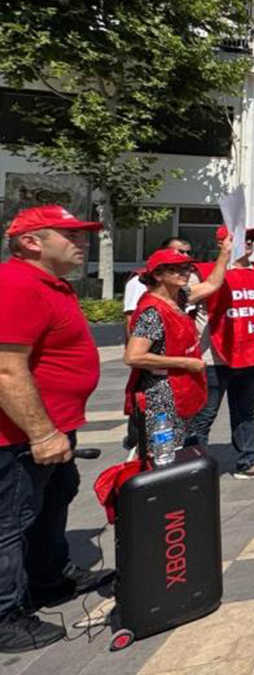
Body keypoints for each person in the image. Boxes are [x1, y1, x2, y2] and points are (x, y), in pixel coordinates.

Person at [0, 206, 115, 652]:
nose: (81, 241)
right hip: (20, 438)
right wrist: (42, 433)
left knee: (52, 501)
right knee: (9, 522)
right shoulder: (15, 285)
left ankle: (49, 578)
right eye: (70, 234)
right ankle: (6, 614)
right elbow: (7, 370)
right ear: (31, 242)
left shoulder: (50, 285)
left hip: (53, 428)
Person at [185, 226, 254, 480]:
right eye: (242, 238)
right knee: (204, 417)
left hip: (250, 355)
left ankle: (247, 461)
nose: (249, 243)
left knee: (245, 412)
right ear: (223, 243)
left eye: (251, 239)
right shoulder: (203, 273)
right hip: (213, 358)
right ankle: (193, 471)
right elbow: (187, 298)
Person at [124, 237, 232, 458]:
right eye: (177, 269)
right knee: (161, 455)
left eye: (187, 267)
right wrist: (185, 362)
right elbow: (134, 356)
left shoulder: (179, 298)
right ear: (158, 274)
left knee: (176, 448)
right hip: (161, 394)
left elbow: (212, 284)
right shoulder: (152, 311)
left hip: (180, 388)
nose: (185, 272)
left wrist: (224, 255)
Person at [123, 236, 191, 335]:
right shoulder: (139, 281)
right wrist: (132, 344)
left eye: (188, 252)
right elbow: (131, 316)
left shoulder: (180, 281)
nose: (186, 255)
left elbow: (210, 285)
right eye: (181, 251)